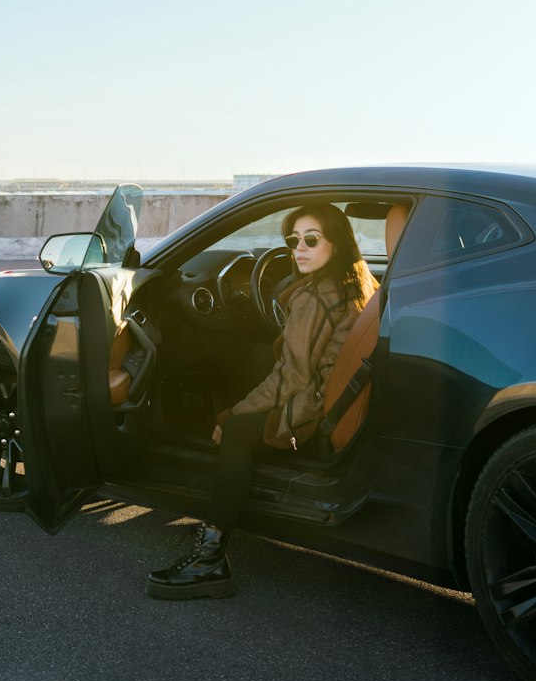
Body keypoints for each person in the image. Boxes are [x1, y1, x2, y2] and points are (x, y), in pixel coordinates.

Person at [146, 201, 377, 599]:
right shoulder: (358, 283)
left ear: (335, 243)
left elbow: (291, 378)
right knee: (252, 357)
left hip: (314, 413)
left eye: (311, 239)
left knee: (236, 429)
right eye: (292, 240)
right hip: (332, 402)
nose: (299, 248)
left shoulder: (313, 298)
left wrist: (231, 413)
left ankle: (209, 558)